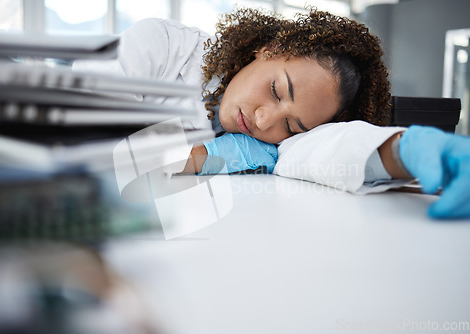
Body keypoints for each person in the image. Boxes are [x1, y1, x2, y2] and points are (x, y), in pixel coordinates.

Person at [73, 7, 470, 219]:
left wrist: (404, 149)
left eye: (291, 125)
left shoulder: (281, 143)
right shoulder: (160, 46)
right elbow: (80, 145)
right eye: (277, 89)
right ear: (267, 49)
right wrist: (203, 156)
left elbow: (329, 149)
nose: (264, 121)